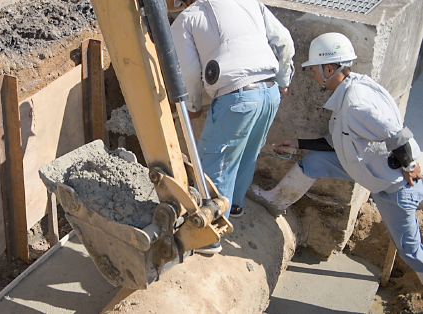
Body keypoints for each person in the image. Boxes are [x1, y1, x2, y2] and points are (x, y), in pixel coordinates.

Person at [249, 32, 423, 282]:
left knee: (411, 251)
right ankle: (276, 201)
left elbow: (396, 133)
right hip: (363, 165)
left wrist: (409, 163)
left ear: (329, 68)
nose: (314, 75)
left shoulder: (356, 104)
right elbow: (337, 141)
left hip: (393, 187)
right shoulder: (354, 89)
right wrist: (297, 144)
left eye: (315, 70)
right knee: (315, 162)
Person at [169, 0, 295, 254]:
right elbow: (284, 40)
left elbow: (189, 71)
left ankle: (209, 234)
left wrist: (193, 105)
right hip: (269, 92)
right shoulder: (246, 2)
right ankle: (235, 206)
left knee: (216, 161)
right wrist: (283, 79)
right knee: (248, 151)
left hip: (236, 97)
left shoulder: (187, 19)